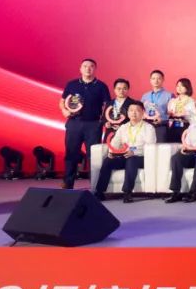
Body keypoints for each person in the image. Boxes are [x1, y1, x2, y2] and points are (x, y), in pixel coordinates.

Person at [59, 58, 111, 190]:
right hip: (74, 123)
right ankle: (68, 183)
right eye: (85, 66)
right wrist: (64, 111)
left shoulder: (101, 86)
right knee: (71, 153)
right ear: (80, 69)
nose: (88, 68)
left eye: (91, 66)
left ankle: (95, 185)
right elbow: (62, 101)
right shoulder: (72, 84)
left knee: (93, 155)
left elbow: (107, 105)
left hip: (93, 125)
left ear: (95, 69)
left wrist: (104, 121)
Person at [94, 102, 156, 203]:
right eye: (131, 110)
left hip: (141, 157)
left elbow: (150, 146)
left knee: (131, 159)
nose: (134, 113)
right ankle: (99, 192)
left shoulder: (149, 128)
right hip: (124, 156)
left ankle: (127, 192)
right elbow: (115, 142)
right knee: (108, 161)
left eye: (137, 110)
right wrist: (112, 152)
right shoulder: (123, 127)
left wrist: (134, 151)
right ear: (127, 113)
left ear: (142, 113)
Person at [141, 69, 172, 143]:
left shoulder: (169, 95)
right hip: (146, 125)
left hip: (161, 126)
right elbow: (141, 110)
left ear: (163, 80)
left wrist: (162, 120)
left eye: (159, 78)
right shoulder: (145, 96)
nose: (156, 81)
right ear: (150, 80)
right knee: (146, 147)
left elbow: (172, 114)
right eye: (153, 78)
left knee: (160, 147)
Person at [166, 78, 196, 144]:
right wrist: (170, 113)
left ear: (187, 87)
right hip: (173, 126)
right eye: (178, 86)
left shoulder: (191, 101)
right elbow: (170, 114)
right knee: (172, 144)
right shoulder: (173, 101)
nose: (179, 88)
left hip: (185, 126)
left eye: (182, 86)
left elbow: (194, 116)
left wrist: (185, 114)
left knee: (184, 144)